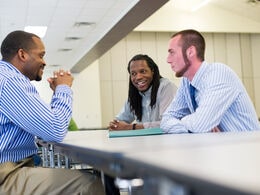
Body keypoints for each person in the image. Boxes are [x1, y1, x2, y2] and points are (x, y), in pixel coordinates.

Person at [0, 30, 104, 194]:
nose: (44, 62)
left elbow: (45, 124)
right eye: (41, 55)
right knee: (89, 184)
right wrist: (63, 88)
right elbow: (55, 129)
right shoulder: (11, 80)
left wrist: (58, 93)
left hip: (13, 167)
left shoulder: (6, 77)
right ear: (22, 54)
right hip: (6, 174)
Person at [161, 29, 260, 133]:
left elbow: (200, 124)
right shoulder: (187, 82)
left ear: (190, 52)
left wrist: (184, 121)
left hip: (249, 146)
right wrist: (197, 124)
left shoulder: (219, 73)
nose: (168, 60)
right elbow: (166, 120)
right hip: (223, 146)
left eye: (172, 53)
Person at [108, 54, 177, 131]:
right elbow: (120, 120)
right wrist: (115, 125)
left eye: (143, 71)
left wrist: (131, 127)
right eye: (133, 74)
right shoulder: (135, 94)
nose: (138, 77)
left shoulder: (166, 87)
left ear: (152, 71)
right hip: (144, 141)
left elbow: (168, 123)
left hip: (168, 140)